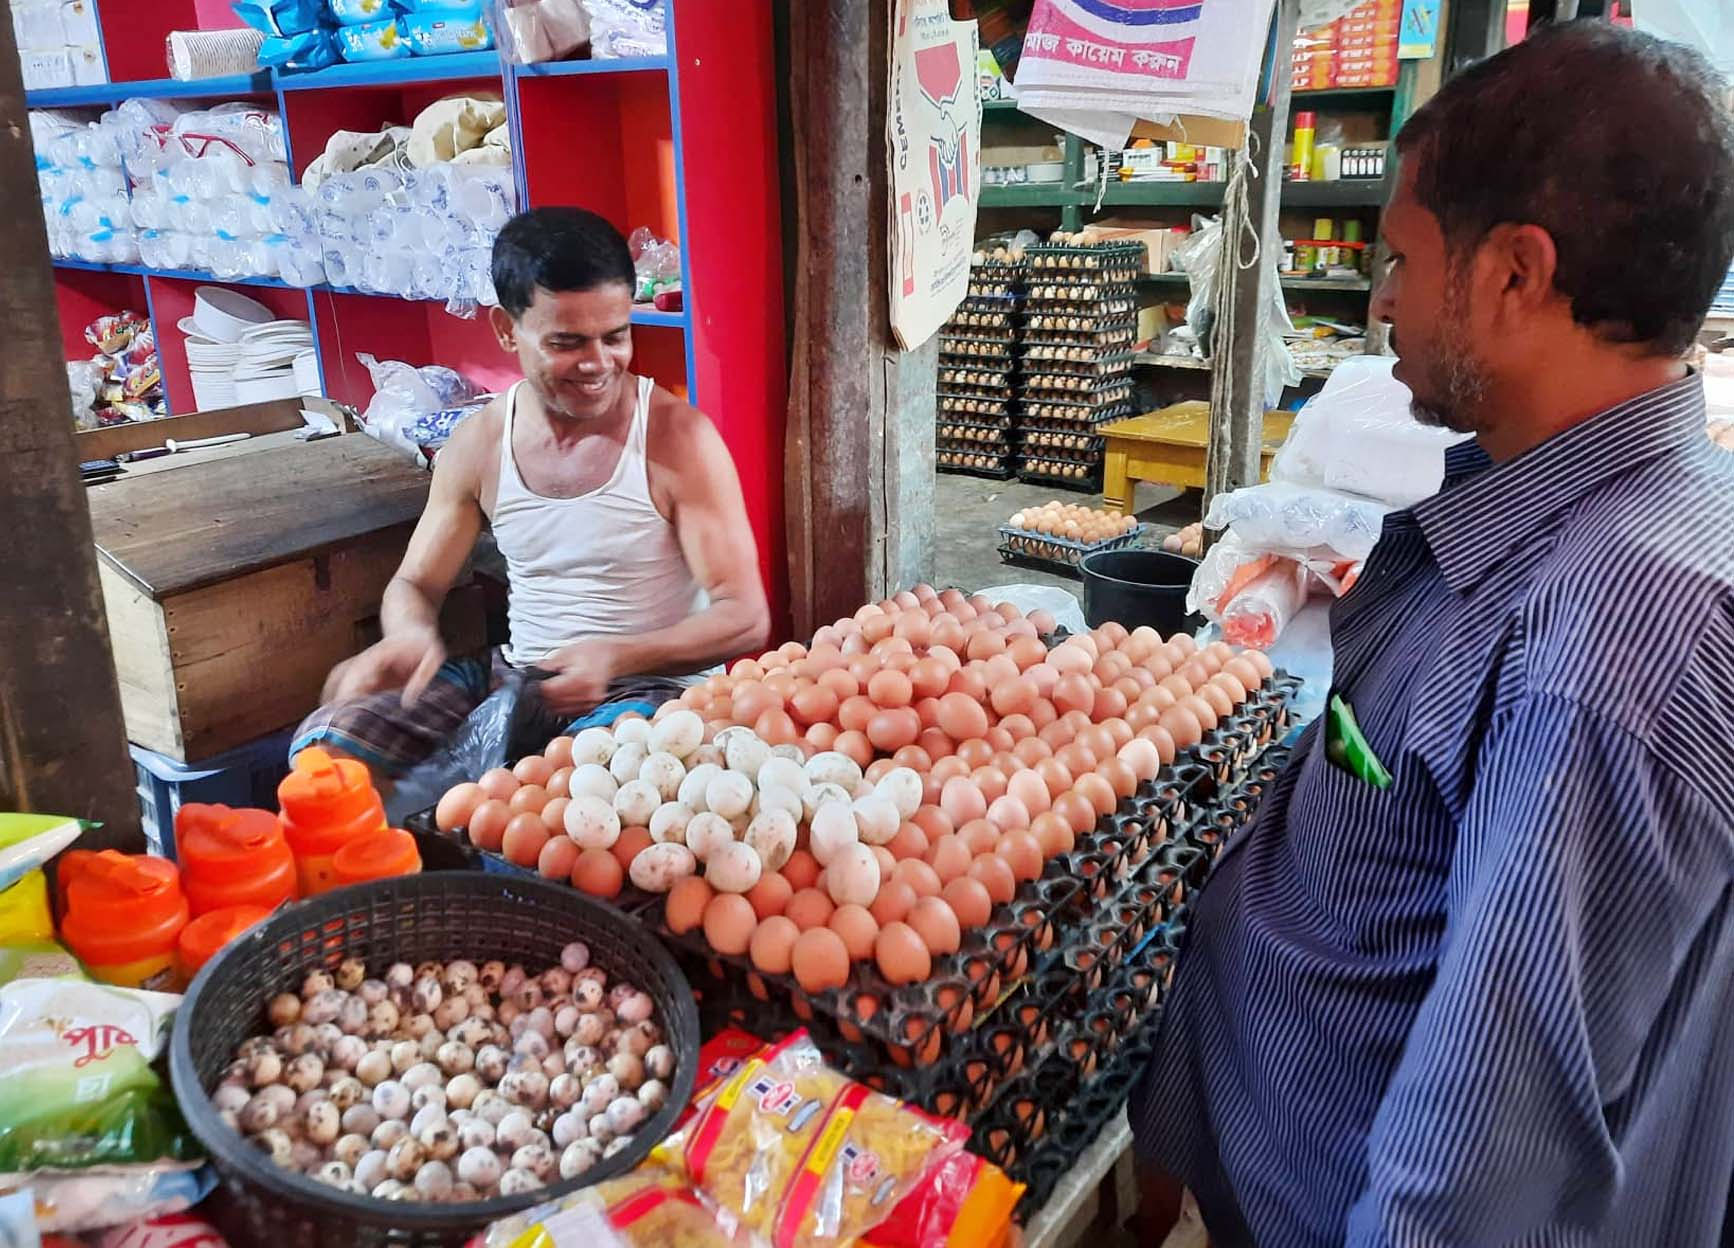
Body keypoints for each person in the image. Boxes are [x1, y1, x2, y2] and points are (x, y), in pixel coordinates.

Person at [1132, 22, 1734, 1247]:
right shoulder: (1569, 524)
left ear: (1516, 273)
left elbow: (1482, 1153)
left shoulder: (1604, 647)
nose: (1384, 301)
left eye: (1404, 260)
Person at [295, 207, 770, 776]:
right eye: (567, 342)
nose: (598, 364)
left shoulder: (678, 440)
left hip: (652, 688)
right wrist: (409, 637)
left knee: (580, 785)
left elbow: (745, 615)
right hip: (520, 676)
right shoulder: (480, 443)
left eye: (615, 336)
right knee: (330, 745)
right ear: (505, 328)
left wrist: (618, 655)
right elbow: (416, 582)